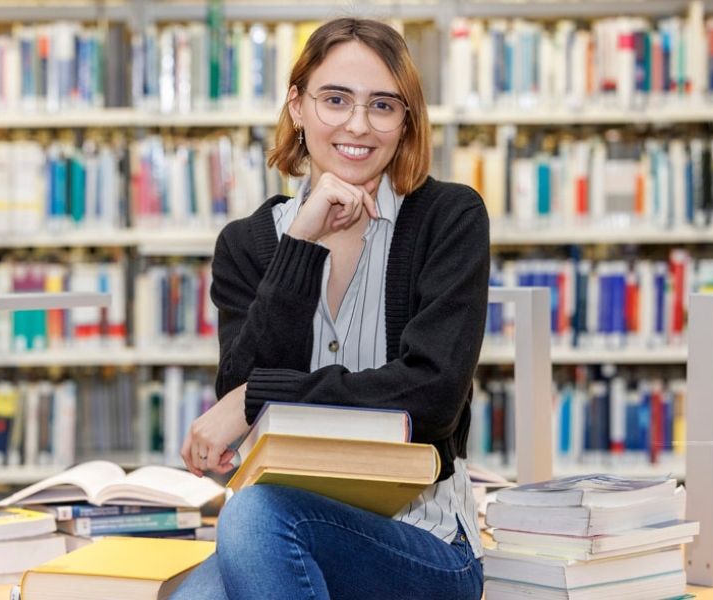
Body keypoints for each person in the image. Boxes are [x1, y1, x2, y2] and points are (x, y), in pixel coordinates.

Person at [171, 17, 489, 600]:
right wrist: (301, 247)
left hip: (422, 543)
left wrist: (257, 396)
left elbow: (432, 398)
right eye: (335, 99)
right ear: (297, 105)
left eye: (383, 106)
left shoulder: (450, 218)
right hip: (275, 530)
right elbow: (241, 391)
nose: (358, 126)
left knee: (251, 517)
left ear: (406, 121)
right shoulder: (247, 245)